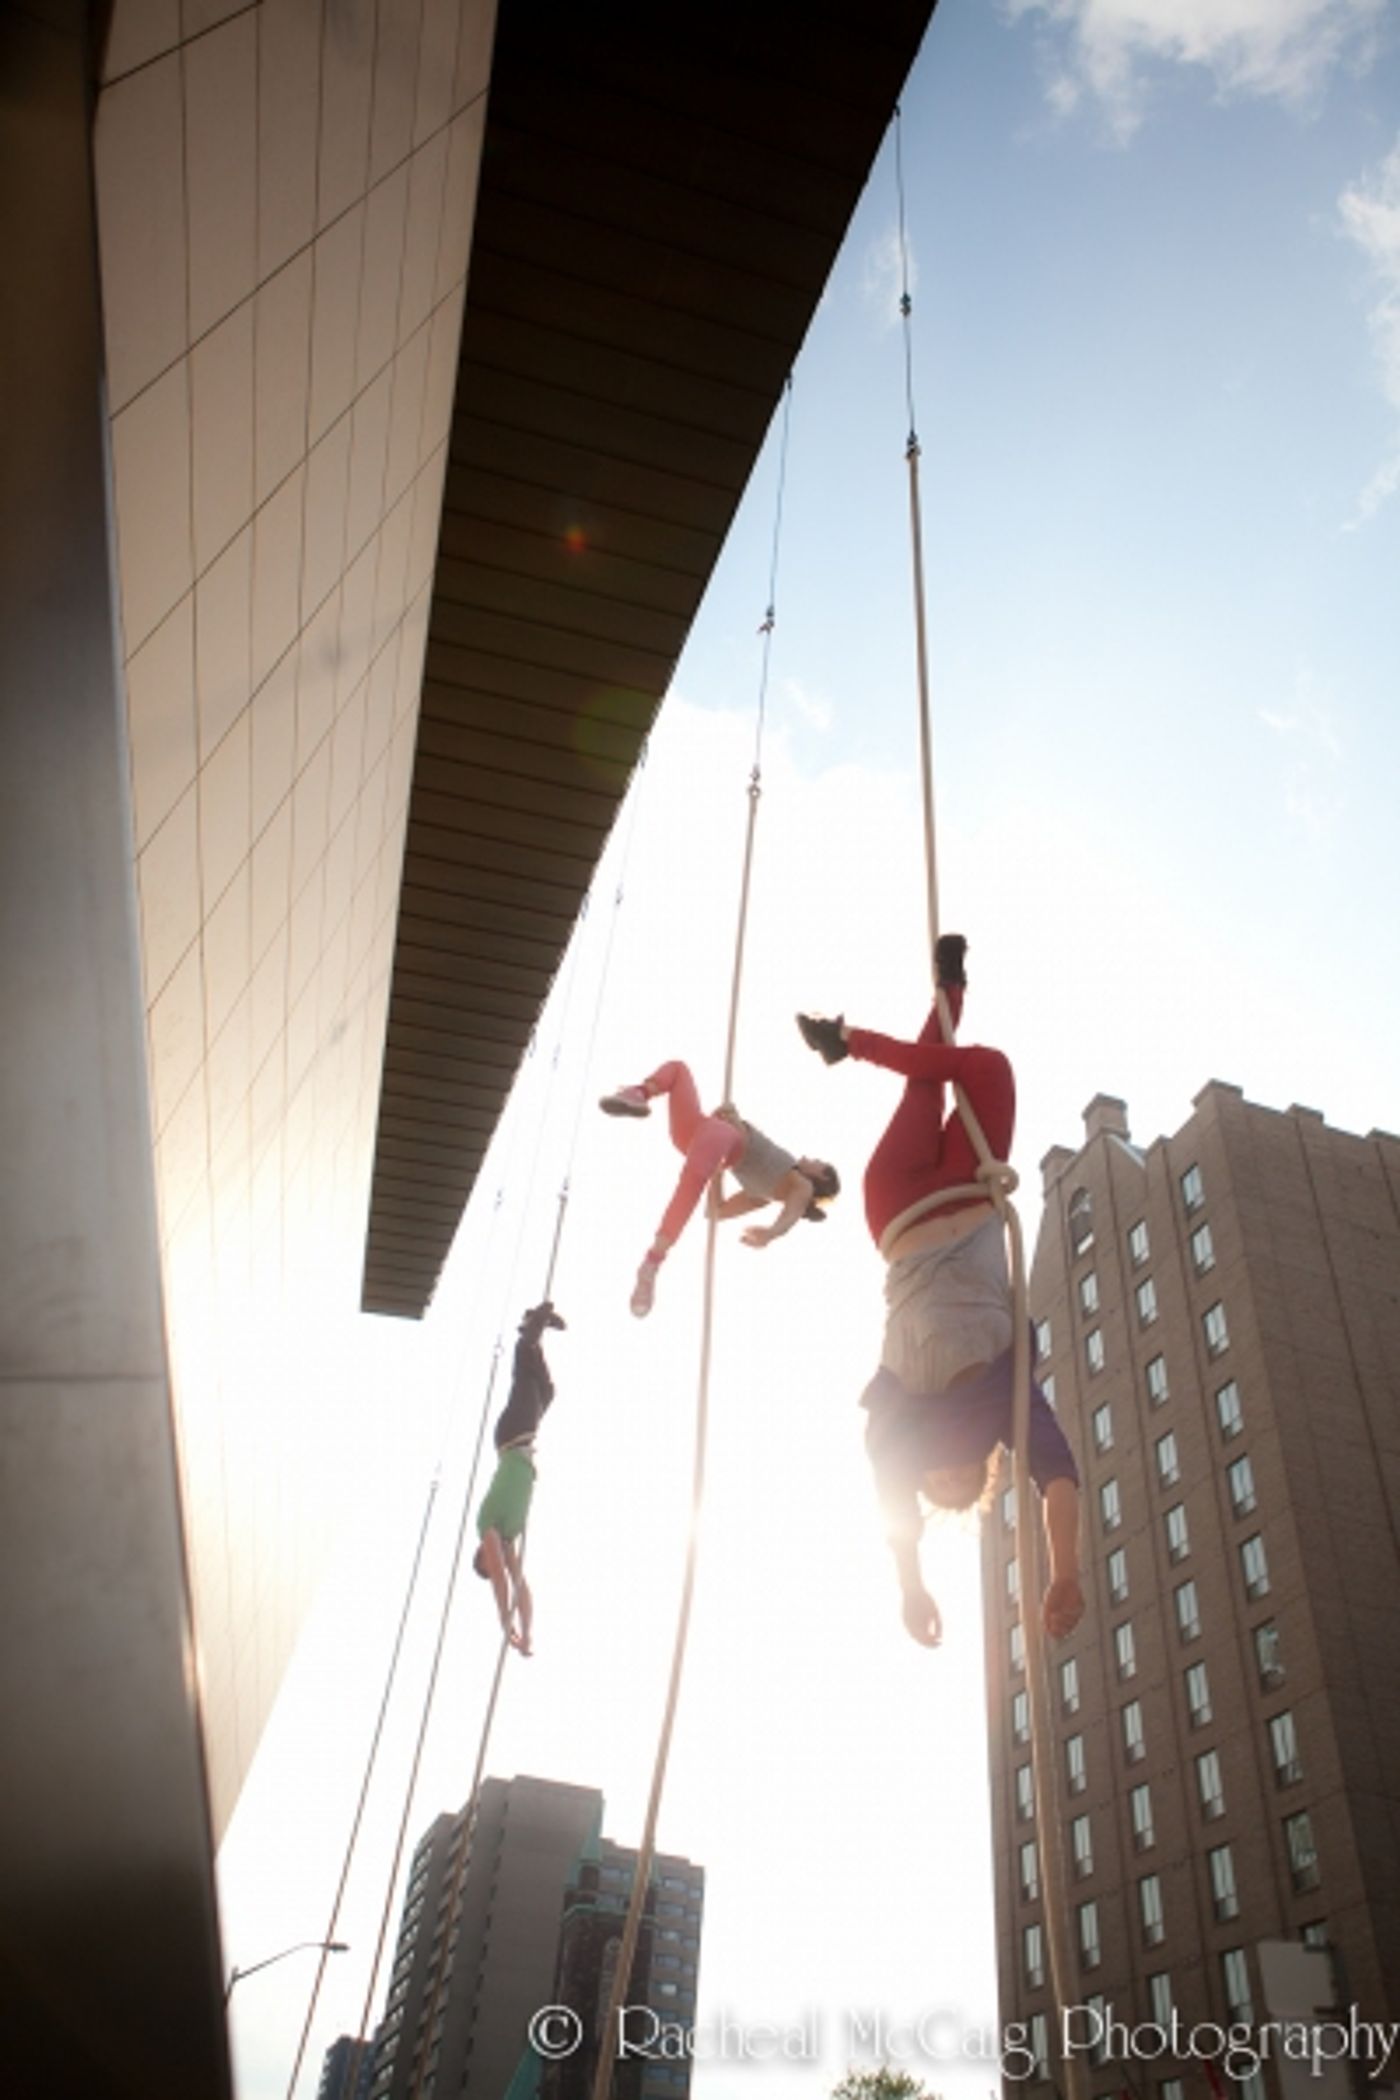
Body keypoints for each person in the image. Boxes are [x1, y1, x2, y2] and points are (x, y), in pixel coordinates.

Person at [797, 934, 1083, 1649]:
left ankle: (854, 1040)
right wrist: (1065, 1572)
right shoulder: (1007, 1402)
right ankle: (932, 1001)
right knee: (989, 1067)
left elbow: (891, 1497)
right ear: (985, 1464)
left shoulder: (901, 1416)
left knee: (923, 1089)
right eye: (966, 1481)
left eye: (939, 1482)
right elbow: (1058, 1476)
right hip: (971, 1189)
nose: (951, 1474)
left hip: (897, 1207)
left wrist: (912, 1587)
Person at [599, 1061, 839, 1316]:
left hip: (718, 1138)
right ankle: (640, 1093)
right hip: (698, 1133)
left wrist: (771, 1233)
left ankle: (653, 1261)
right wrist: (719, 1164)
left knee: (692, 1181)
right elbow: (716, 1211)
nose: (811, 1158)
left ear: (821, 1176)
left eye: (818, 1162)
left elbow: (786, 1213)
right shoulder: (761, 1195)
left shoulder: (799, 1185)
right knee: (678, 1070)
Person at [472, 1301, 566, 1653]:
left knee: (524, 1379)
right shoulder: (509, 1539)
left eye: (488, 1559)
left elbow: (500, 1579)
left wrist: (504, 1622)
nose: (495, 1559)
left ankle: (531, 1329)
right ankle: (533, 1330)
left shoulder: (487, 1527)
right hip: (523, 1440)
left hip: (511, 1436)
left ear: (482, 1552)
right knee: (545, 1390)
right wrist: (527, 1633)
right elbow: (520, 1585)